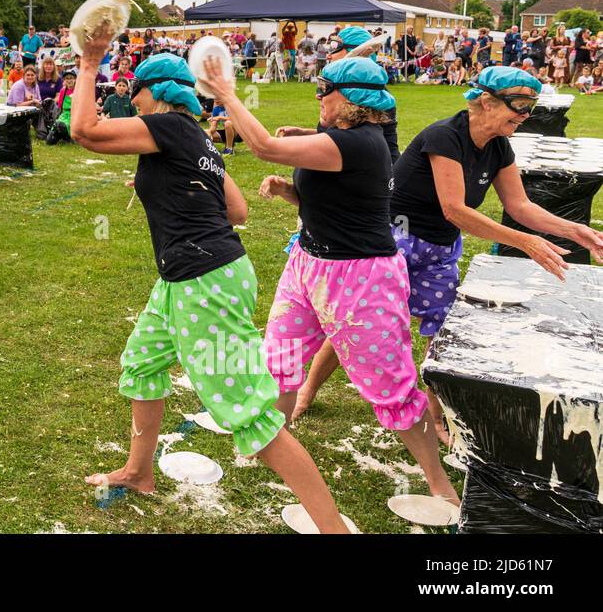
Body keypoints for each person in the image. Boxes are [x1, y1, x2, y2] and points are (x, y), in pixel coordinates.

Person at [70, 40, 347, 531]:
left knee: (249, 413)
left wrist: (88, 64)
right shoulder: (196, 136)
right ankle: (138, 472)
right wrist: (170, 191)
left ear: (153, 93)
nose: (132, 104)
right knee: (142, 363)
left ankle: (332, 528)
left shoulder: (170, 125)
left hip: (204, 283)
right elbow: (236, 211)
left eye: (135, 97)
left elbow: (85, 131)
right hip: (189, 277)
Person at [199, 55, 459, 506]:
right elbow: (339, 202)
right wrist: (291, 192)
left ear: (351, 100)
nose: (317, 96)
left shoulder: (362, 143)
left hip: (362, 278)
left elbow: (262, 145)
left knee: (390, 386)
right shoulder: (338, 138)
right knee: (279, 359)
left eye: (325, 89)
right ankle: (272, 444)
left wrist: (225, 93)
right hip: (308, 263)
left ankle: (438, 480)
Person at [293, 66, 603, 438]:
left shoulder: (499, 146)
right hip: (393, 241)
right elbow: (454, 209)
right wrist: (526, 242)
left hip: (440, 248)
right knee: (357, 323)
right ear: (486, 101)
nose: (525, 115)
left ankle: (435, 416)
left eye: (530, 106)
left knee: (440, 333)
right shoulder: (445, 136)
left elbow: (520, 206)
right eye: (519, 105)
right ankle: (307, 391)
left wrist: (576, 230)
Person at [276, 26, 400, 163]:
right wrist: (302, 133)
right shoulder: (355, 90)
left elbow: (349, 140)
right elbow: (342, 134)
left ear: (357, 52)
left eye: (335, 48)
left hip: (375, 176)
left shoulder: (366, 96)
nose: (329, 55)